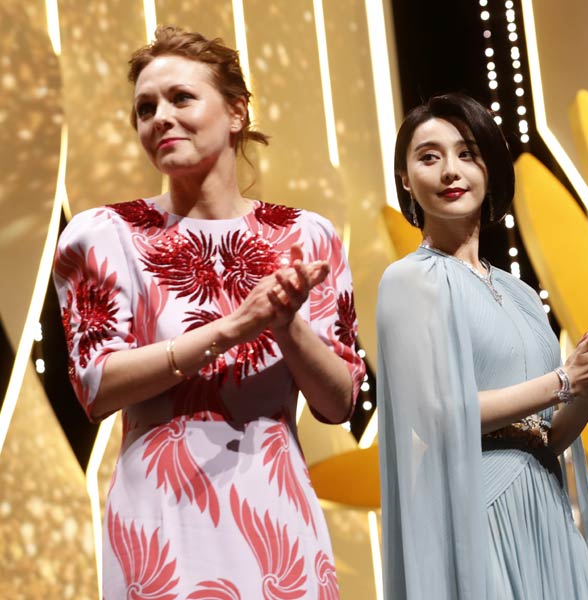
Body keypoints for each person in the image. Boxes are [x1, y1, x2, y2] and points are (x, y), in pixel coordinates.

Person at [52, 26, 364, 597]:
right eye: (145, 108)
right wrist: (230, 328)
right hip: (163, 521)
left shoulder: (306, 237)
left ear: (238, 112)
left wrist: (287, 325)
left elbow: (338, 403)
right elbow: (96, 386)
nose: (159, 118)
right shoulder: (104, 235)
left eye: (181, 98)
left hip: (278, 516)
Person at [375, 92, 588, 599]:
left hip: (544, 504)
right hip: (471, 507)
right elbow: (437, 417)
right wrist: (566, 380)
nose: (450, 171)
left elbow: (549, 436)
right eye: (428, 157)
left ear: (489, 166)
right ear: (405, 179)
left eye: (467, 153)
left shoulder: (521, 293)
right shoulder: (408, 280)